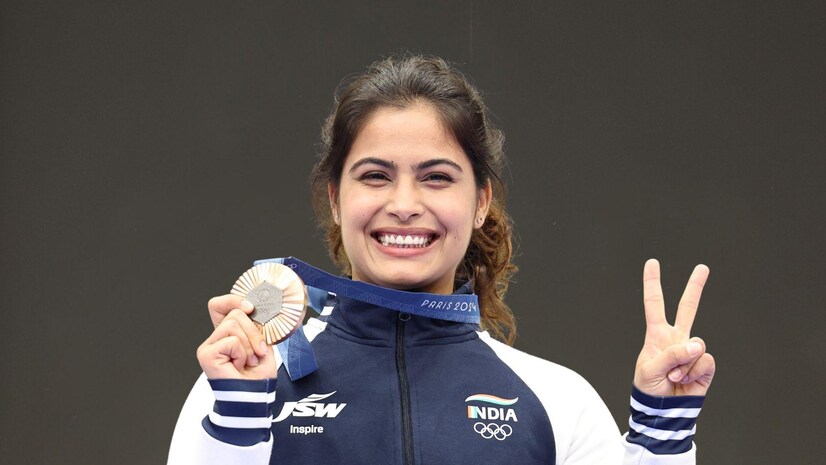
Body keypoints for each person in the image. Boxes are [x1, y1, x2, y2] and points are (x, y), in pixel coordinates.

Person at [168, 54, 715, 464]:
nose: (404, 205)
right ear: (336, 199)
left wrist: (661, 432)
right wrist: (238, 424)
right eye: (376, 176)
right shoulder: (244, 383)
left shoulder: (555, 400)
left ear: (480, 203)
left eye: (436, 177)